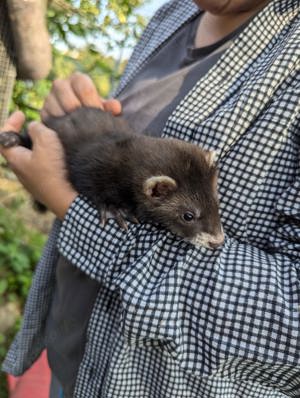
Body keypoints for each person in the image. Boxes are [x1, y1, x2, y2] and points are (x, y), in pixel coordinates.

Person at [1, 0, 300, 397]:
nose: (217, 237)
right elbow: (121, 146)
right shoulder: (173, 13)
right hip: (69, 358)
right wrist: (72, 116)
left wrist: (65, 201)